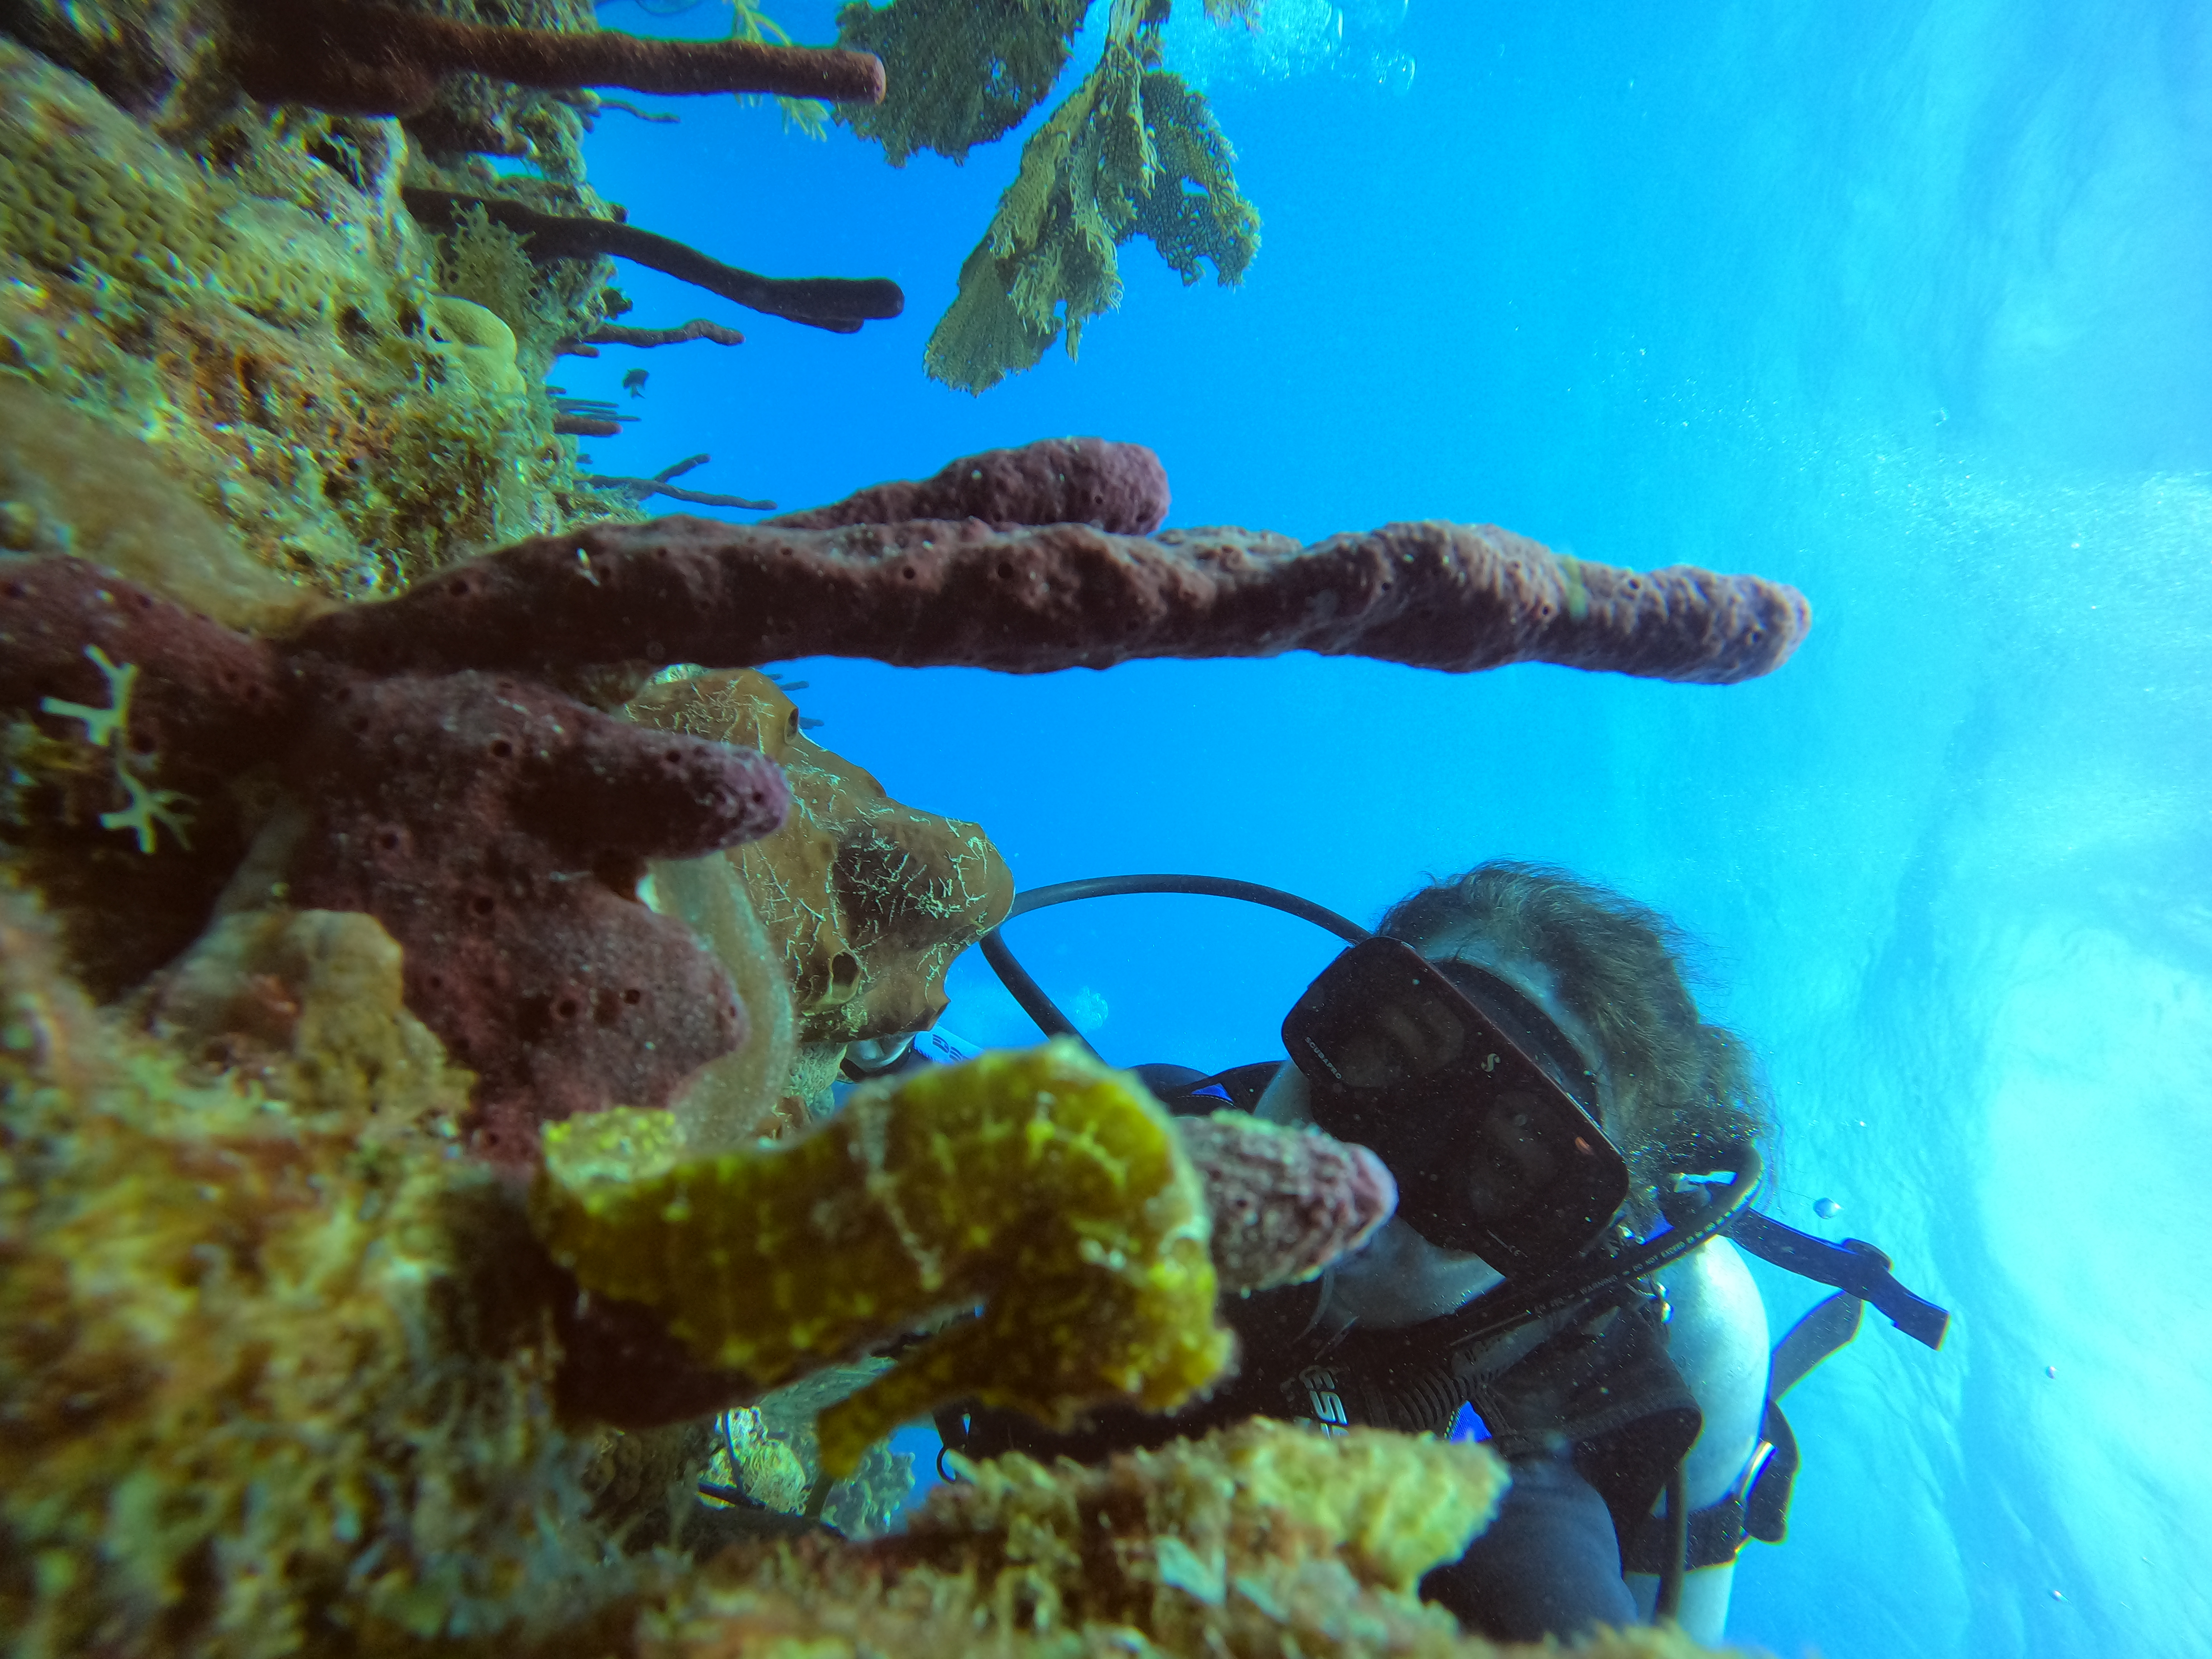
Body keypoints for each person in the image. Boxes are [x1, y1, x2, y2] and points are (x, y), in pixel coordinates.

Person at [940, 862, 1783, 1645]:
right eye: (1387, 1053)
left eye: (1500, 1166)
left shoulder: (1511, 1528)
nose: (1366, 1177)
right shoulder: (1134, 1143)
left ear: (1548, 1250)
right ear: (1330, 1005)